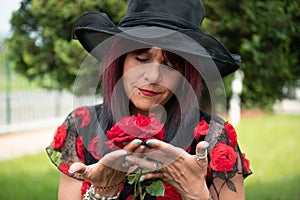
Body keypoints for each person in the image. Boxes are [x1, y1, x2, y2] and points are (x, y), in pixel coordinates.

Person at [46, 0, 251, 199]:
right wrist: (103, 192)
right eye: (142, 59)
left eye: (170, 66)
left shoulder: (212, 137)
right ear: (120, 60)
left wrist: (195, 194)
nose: (153, 76)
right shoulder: (83, 126)